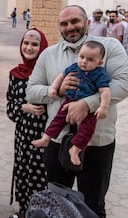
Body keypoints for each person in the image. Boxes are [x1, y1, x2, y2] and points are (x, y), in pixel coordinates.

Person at [26, 5, 128, 218]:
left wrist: (87, 103)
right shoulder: (49, 55)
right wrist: (57, 91)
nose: (70, 27)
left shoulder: (109, 47)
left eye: (75, 21)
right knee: (57, 200)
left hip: (96, 142)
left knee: (93, 204)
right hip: (57, 140)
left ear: (88, 23)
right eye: (64, 24)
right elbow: (31, 90)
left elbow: (123, 85)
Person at [32, 40, 111, 168]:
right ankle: (46, 138)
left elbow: (105, 91)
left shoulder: (99, 74)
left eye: (90, 59)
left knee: (88, 128)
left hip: (89, 109)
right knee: (58, 119)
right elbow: (60, 77)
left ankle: (75, 148)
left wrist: (103, 107)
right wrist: (53, 88)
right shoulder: (74, 67)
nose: (84, 61)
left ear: (99, 62)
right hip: (69, 100)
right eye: (82, 57)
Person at [6, 28, 49, 218]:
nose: (29, 48)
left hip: (42, 134)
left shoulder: (47, 74)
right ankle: (23, 212)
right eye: (26, 43)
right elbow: (11, 106)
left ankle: (37, 217)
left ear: (42, 48)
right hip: (22, 133)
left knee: (38, 176)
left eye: (34, 44)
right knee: (22, 172)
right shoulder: (15, 74)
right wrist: (24, 107)